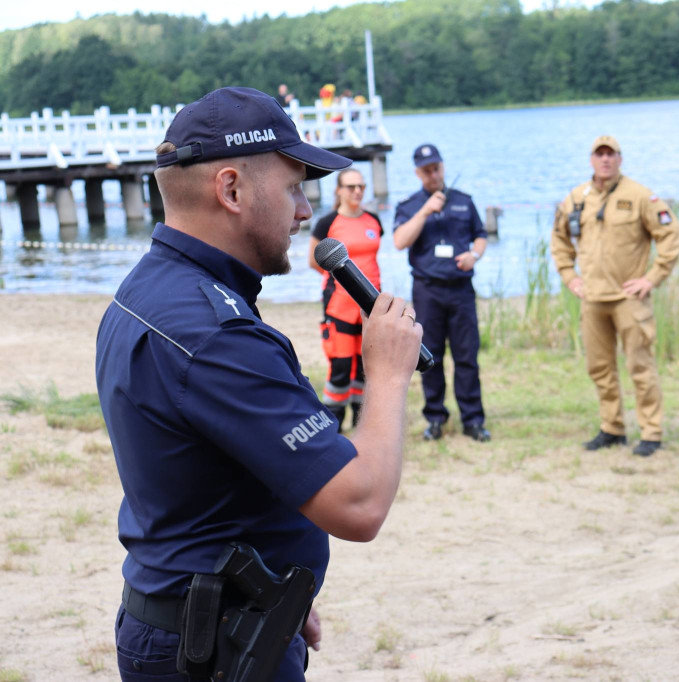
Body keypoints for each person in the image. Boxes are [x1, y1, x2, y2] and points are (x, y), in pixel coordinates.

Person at [95, 87, 423, 681]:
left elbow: (197, 487)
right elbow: (360, 504)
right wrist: (388, 372)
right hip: (208, 651)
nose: (305, 211)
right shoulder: (217, 337)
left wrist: (266, 585)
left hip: (196, 616)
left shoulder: (143, 291)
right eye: (295, 187)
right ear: (231, 190)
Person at [550, 135, 679, 457]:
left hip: (628, 299)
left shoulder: (639, 196)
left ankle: (651, 432)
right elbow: (559, 240)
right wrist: (570, 277)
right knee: (600, 368)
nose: (605, 160)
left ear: (620, 159)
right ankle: (612, 428)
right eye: (600, 154)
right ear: (592, 160)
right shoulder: (575, 198)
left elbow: (671, 234)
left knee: (640, 366)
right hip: (593, 299)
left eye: (611, 154)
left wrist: (651, 278)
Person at [393, 143, 490, 442]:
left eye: (436, 168)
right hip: (428, 290)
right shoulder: (409, 206)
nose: (433, 174)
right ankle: (435, 418)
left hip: (461, 289)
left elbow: (481, 236)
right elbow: (399, 241)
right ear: (417, 173)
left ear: (442, 167)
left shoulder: (463, 201)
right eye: (426, 170)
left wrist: (475, 255)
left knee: (467, 356)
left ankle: (473, 419)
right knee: (429, 357)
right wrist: (425, 211)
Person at [307, 168, 381, 432]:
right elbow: (313, 260)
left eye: (361, 186)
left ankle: (362, 422)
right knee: (340, 367)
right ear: (338, 190)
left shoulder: (373, 220)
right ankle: (334, 425)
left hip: (370, 308)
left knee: (365, 368)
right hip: (339, 306)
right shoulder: (327, 223)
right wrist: (344, 283)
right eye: (351, 187)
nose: (357, 191)